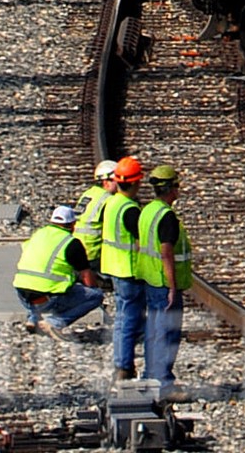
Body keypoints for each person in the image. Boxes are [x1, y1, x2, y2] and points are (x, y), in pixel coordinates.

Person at [137, 164, 195, 393]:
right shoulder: (166, 216)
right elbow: (166, 252)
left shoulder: (148, 210)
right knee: (167, 332)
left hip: (150, 279)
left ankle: (151, 374)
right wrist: (172, 286)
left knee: (153, 330)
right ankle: (164, 382)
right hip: (163, 282)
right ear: (172, 188)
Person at [13, 204, 105, 340]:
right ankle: (54, 323)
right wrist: (91, 290)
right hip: (46, 298)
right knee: (96, 296)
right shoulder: (71, 243)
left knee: (35, 286)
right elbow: (86, 275)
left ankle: (33, 319)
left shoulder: (39, 234)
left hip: (21, 293)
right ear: (72, 224)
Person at [99, 156, 149, 383]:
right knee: (129, 319)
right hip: (128, 270)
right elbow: (143, 240)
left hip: (113, 267)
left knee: (122, 319)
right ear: (137, 182)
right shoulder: (129, 210)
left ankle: (121, 364)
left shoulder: (111, 202)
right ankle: (124, 366)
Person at [74, 160, 118, 254]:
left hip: (78, 247)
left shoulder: (88, 193)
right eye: (116, 181)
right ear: (106, 182)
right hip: (93, 250)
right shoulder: (107, 199)